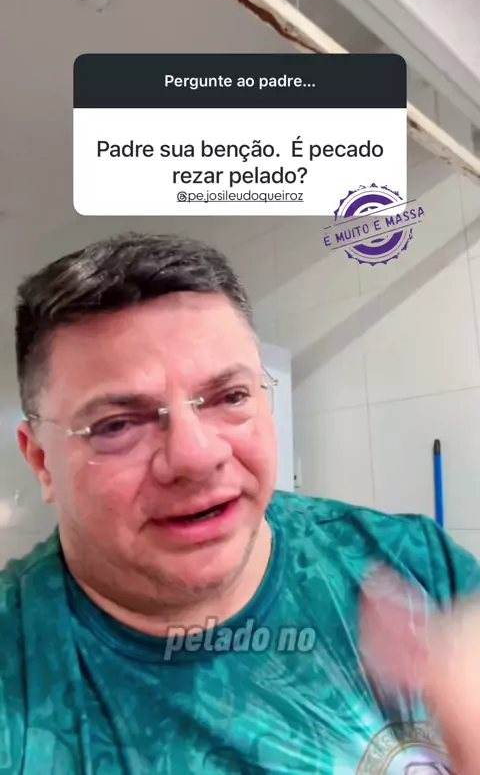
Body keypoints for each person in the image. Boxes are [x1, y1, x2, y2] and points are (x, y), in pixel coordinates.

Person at [1, 230, 479, 774]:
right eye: (117, 424)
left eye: (230, 396)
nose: (196, 456)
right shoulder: (18, 679)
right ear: (41, 461)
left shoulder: (416, 565)